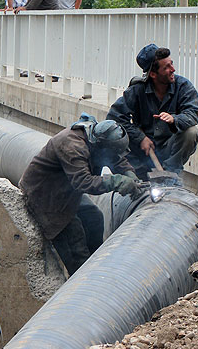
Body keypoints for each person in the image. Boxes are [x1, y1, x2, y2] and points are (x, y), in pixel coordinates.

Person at [19, 114, 140, 276]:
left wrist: (129, 173)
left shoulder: (97, 138)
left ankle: (97, 267)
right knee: (75, 243)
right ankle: (84, 279)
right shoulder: (72, 146)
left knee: (94, 217)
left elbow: (116, 159)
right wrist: (116, 181)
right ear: (100, 147)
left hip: (67, 192)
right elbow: (83, 182)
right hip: (46, 198)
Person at [107, 44, 198, 180]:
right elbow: (114, 117)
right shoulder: (137, 90)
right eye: (166, 67)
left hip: (169, 147)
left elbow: (193, 113)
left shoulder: (183, 86)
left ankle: (170, 174)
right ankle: (135, 176)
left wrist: (174, 119)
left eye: (171, 64)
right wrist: (140, 138)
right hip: (142, 152)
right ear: (153, 74)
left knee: (191, 132)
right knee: (114, 134)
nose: (173, 70)